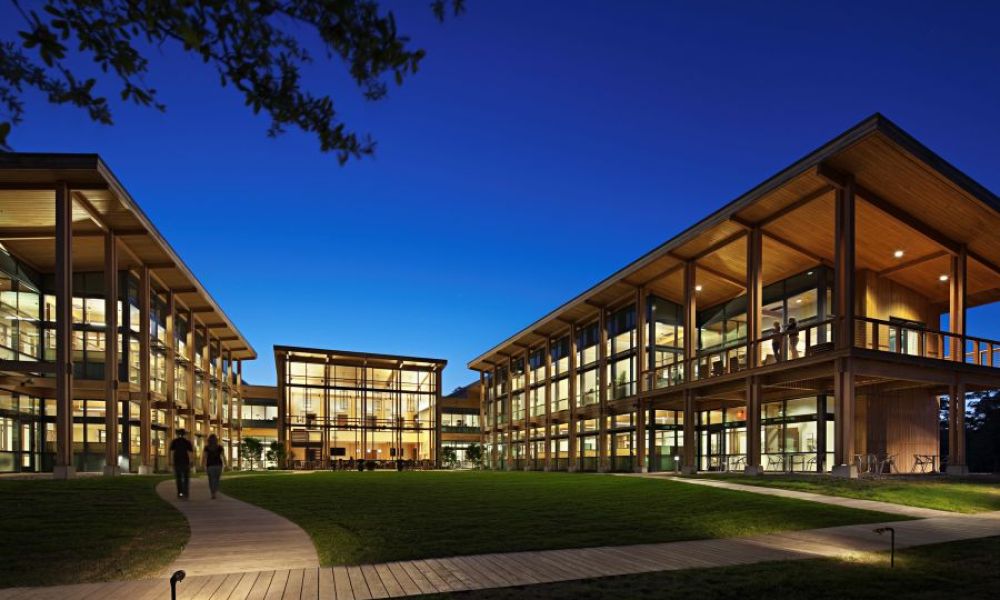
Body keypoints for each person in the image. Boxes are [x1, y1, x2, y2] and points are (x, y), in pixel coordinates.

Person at [169, 429, 194, 499]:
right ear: (184, 434)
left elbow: (172, 452)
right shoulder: (187, 442)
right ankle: (185, 493)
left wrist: (171, 461)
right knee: (186, 478)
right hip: (185, 462)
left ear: (177, 434)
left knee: (178, 478)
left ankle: (180, 493)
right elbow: (190, 453)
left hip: (177, 462)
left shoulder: (174, 442)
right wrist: (191, 461)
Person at [203, 434, 226, 500]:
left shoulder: (206, 447)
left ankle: (213, 493)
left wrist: (203, 465)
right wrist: (226, 464)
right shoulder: (220, 447)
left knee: (211, 479)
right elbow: (223, 456)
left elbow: (204, 457)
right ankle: (215, 491)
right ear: (216, 440)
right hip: (218, 465)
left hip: (210, 465)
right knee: (217, 479)